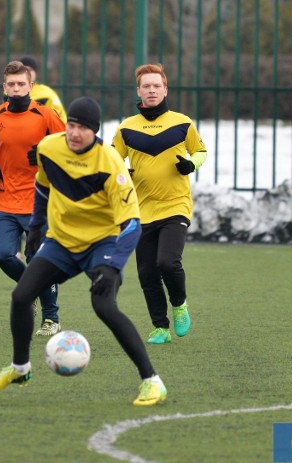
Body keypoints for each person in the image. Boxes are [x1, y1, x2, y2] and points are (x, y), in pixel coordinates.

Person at [0, 97, 167, 406]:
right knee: (21, 296)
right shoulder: (50, 148)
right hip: (62, 242)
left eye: (82, 128)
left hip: (102, 244)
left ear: (94, 132)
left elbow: (132, 225)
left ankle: (152, 381)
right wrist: (38, 227)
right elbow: (42, 185)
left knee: (103, 305)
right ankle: (20, 369)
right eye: (71, 125)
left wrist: (113, 265)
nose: (74, 133)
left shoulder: (110, 163)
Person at [112, 63, 207, 344]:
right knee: (146, 271)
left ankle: (179, 305)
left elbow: (200, 150)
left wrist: (191, 164)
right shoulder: (126, 127)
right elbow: (112, 160)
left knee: (167, 262)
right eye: (146, 86)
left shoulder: (182, 122)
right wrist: (122, 173)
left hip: (175, 205)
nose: (151, 90)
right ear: (138, 90)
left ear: (165, 89)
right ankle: (160, 327)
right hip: (140, 210)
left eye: (156, 86)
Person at [0, 60, 66, 336]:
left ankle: (51, 319)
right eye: (11, 85)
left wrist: (44, 156)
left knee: (36, 259)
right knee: (3, 255)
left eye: (21, 84)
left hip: (38, 201)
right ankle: (27, 291)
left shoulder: (46, 115)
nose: (16, 89)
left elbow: (69, 146)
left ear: (31, 86)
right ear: (4, 87)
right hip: (5, 200)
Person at [18, 55, 67, 122]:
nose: (26, 73)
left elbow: (61, 120)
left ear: (35, 73)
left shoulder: (47, 95)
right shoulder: (8, 93)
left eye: (30, 70)